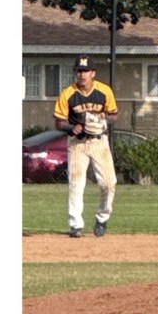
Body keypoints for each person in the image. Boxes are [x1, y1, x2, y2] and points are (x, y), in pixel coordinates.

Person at [53, 55, 119, 238]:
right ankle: (75, 225)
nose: (82, 75)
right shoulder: (68, 94)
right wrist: (71, 128)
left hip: (99, 141)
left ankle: (102, 218)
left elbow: (114, 114)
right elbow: (59, 122)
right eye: (79, 71)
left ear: (93, 73)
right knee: (76, 183)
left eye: (86, 71)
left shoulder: (104, 91)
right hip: (77, 144)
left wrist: (105, 122)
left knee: (109, 182)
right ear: (75, 73)